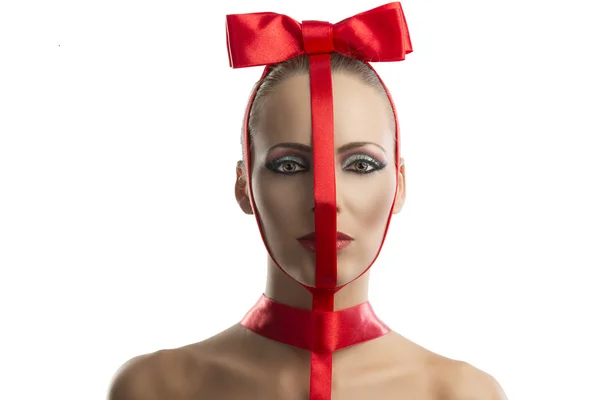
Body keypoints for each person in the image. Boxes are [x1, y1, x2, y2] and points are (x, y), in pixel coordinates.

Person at [108, 3, 508, 399]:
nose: (326, 201)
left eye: (362, 164)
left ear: (399, 184)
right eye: (289, 166)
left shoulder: (460, 393)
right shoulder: (155, 388)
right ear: (244, 186)